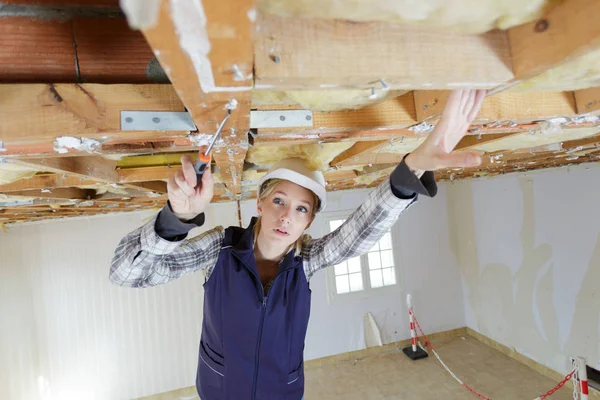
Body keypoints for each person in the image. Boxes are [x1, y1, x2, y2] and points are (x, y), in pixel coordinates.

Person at [110, 89, 486, 399]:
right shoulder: (218, 249)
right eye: (278, 201)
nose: (287, 216)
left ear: (309, 221)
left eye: (301, 208)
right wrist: (175, 219)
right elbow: (127, 274)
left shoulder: (308, 259)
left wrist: (411, 170)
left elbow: (359, 232)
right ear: (259, 203)